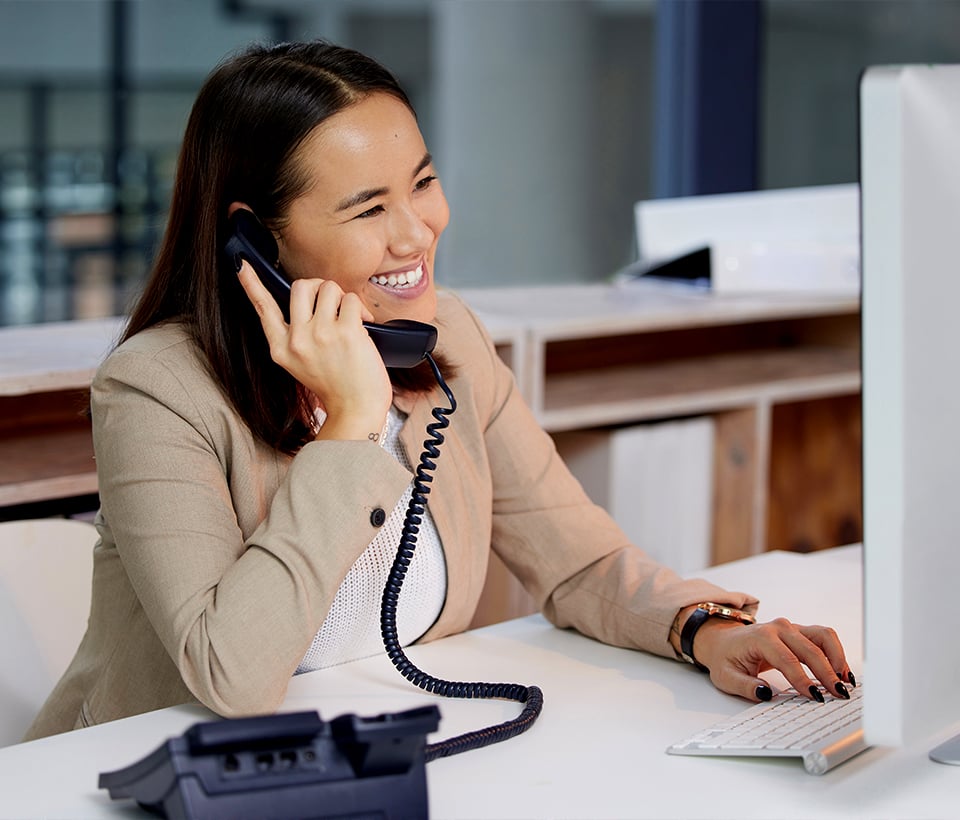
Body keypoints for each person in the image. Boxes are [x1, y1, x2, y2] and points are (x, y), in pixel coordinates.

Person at [25, 40, 853, 742]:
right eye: (368, 208)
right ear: (254, 239)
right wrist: (351, 429)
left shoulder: (445, 339)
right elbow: (231, 675)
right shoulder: (158, 389)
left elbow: (581, 561)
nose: (418, 230)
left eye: (421, 183)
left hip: (369, 749)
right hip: (152, 774)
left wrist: (703, 629)